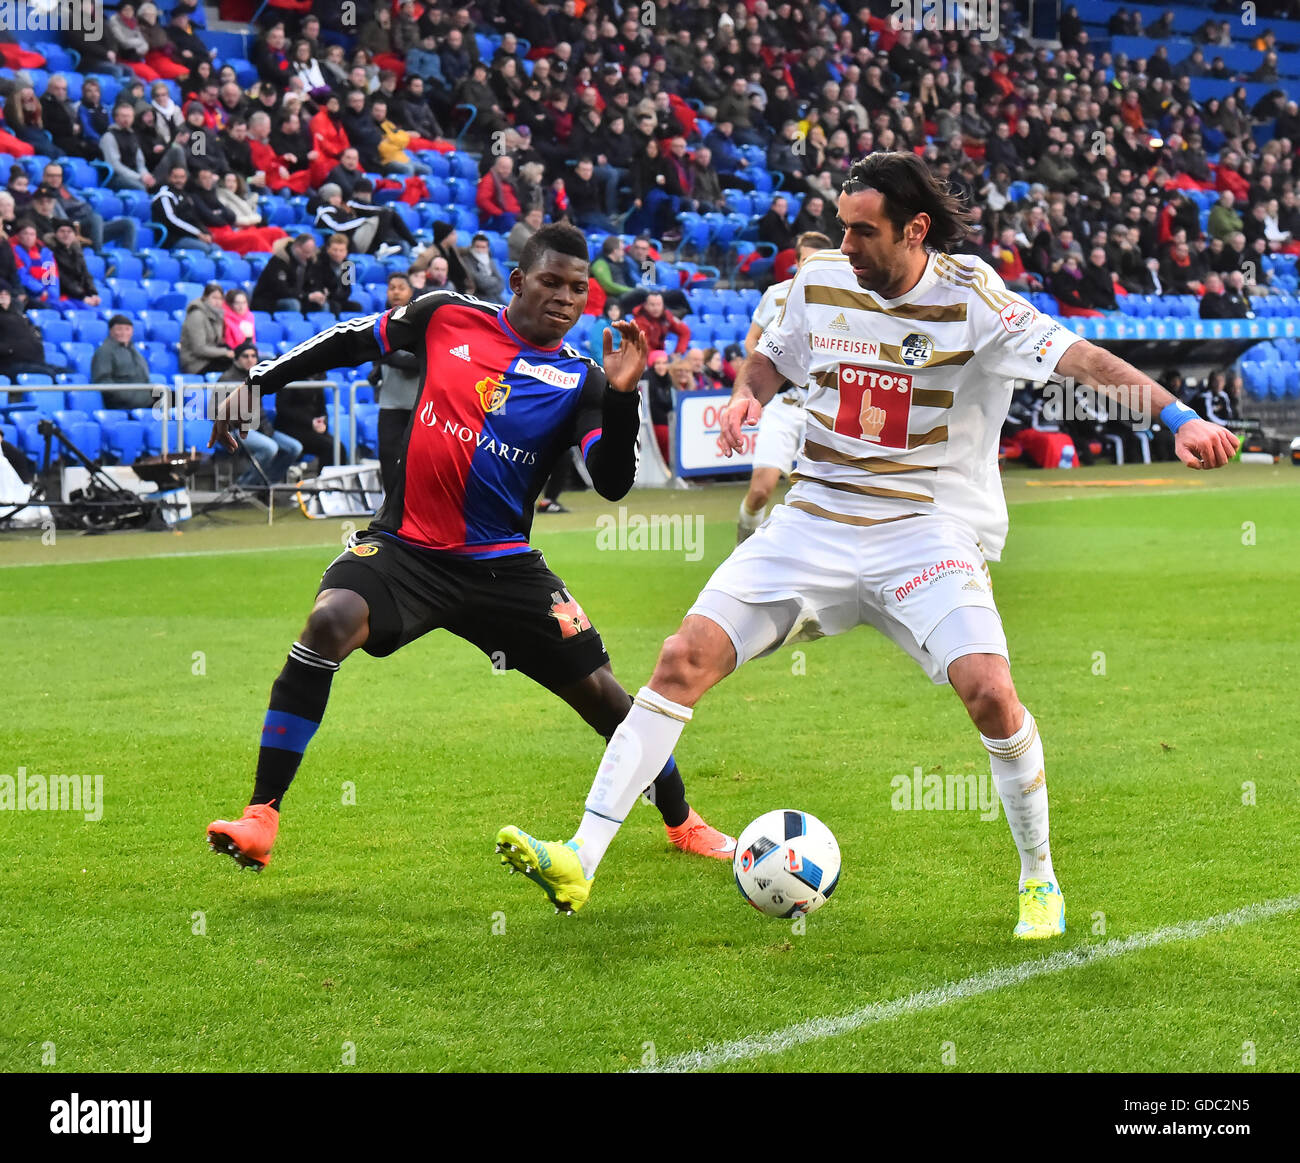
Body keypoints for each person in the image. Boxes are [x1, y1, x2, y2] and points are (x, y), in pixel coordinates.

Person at [498, 151, 1240, 925]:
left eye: (862, 232)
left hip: (925, 528)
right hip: (815, 516)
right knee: (681, 658)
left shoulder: (971, 295)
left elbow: (1078, 357)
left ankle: (1039, 877)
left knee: (990, 691)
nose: (843, 247)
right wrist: (748, 398)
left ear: (915, 230)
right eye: (842, 228)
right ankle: (580, 856)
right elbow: (772, 357)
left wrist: (1176, 416)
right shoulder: (821, 283)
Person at [205, 223, 733, 875]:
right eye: (551, 282)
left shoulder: (582, 381)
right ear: (517, 281)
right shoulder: (444, 315)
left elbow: (613, 482)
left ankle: (683, 821)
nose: (566, 298)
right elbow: (347, 340)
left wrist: (623, 396)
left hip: (503, 569)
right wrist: (257, 381)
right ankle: (261, 816)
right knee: (329, 620)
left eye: (578, 288)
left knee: (606, 699)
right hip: (406, 552)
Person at [736, 231, 832, 544]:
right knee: (761, 491)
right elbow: (752, 341)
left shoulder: (841, 300)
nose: (810, 267)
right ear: (797, 262)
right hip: (784, 404)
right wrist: (774, 367)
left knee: (817, 498)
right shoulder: (777, 295)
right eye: (806, 260)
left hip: (823, 408)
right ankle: (743, 544)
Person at [219, 342, 303, 485]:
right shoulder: (226, 379)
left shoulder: (256, 377)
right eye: (245, 356)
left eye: (253, 356)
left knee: (295, 448)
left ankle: (267, 483)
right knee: (270, 448)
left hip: (259, 427)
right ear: (237, 359)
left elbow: (259, 411)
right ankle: (244, 486)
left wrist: (266, 429)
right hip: (236, 430)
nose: (250, 359)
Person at [91, 315, 154, 409]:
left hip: (146, 403)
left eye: (127, 329)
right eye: (119, 329)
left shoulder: (135, 351)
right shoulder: (104, 351)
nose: (123, 333)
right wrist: (127, 397)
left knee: (178, 398)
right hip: (124, 406)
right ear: (111, 331)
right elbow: (102, 381)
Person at [251, 234, 323, 314]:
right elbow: (281, 290)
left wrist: (317, 293)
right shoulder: (279, 261)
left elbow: (312, 282)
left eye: (310, 253)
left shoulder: (308, 261)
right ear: (297, 248)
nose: (308, 256)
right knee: (293, 304)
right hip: (270, 300)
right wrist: (306, 296)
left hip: (298, 297)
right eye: (306, 252)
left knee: (321, 304)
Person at [180, 282, 236, 375]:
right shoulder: (196, 315)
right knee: (234, 370)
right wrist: (225, 352)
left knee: (241, 364)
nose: (218, 302)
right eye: (214, 298)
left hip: (210, 358)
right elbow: (198, 348)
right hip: (195, 363)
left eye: (220, 298)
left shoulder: (217, 314)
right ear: (205, 298)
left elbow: (216, 342)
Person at [47, 219, 100, 306]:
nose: (66, 234)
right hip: (61, 296)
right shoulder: (49, 253)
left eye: (69, 231)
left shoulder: (77, 253)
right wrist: (82, 297)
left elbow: (86, 275)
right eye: (62, 231)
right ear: (55, 234)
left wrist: (93, 293)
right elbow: (61, 278)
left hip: (78, 295)